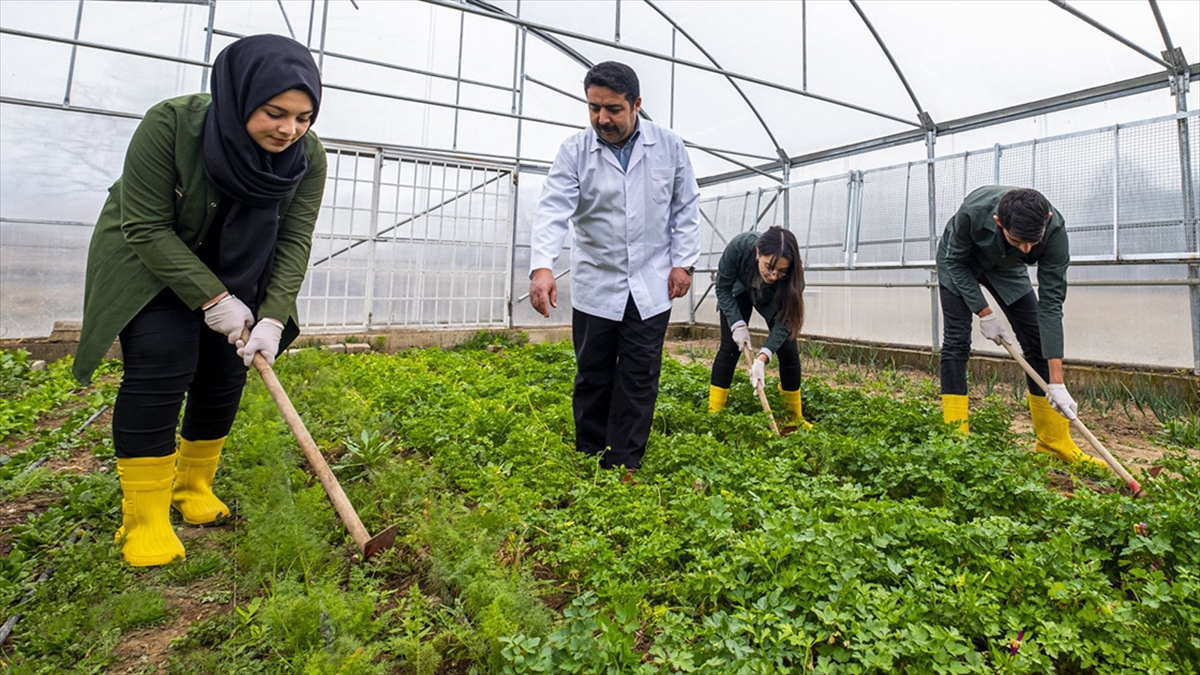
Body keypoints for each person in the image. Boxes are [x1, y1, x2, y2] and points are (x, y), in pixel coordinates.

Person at [73, 34, 327, 566]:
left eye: (303, 117)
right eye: (274, 113)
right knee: (163, 363)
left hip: (244, 267)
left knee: (225, 371)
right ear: (239, 97)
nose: (289, 129)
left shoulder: (308, 157)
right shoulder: (171, 125)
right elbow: (144, 225)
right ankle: (142, 518)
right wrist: (213, 299)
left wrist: (273, 317)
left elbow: (294, 239)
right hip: (151, 264)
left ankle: (193, 488)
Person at [528, 61, 700, 476]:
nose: (601, 118)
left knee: (639, 376)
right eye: (593, 108)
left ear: (636, 104)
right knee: (594, 372)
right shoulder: (574, 151)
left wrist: (683, 263)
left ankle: (624, 460)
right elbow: (553, 210)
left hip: (651, 280)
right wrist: (542, 268)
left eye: (612, 109)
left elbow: (685, 205)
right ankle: (589, 453)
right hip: (597, 282)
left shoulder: (669, 145)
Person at [937, 185, 1104, 466]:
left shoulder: (1054, 232)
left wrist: (1057, 382)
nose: (1028, 250)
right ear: (998, 223)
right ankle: (956, 439)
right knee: (956, 341)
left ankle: (1053, 442)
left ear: (1047, 218)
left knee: (1037, 341)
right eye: (1018, 240)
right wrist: (984, 312)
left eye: (1032, 242)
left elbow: (1051, 305)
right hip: (960, 264)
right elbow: (954, 261)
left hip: (1006, 269)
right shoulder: (973, 211)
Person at [708, 226, 811, 429]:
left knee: (788, 349)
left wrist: (763, 357)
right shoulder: (739, 247)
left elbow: (785, 321)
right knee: (729, 348)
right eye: (769, 266)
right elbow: (722, 287)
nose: (773, 275)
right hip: (738, 292)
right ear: (758, 253)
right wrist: (737, 323)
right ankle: (714, 414)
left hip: (771, 298)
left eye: (781, 271)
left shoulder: (793, 280)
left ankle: (794, 418)